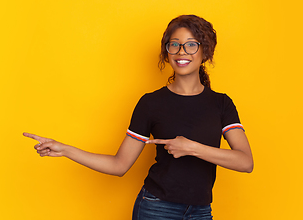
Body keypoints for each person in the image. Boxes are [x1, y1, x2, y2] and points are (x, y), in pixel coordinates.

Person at [23, 14, 253, 220]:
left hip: (201, 212)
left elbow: (245, 162)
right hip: (156, 209)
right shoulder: (151, 103)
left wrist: (192, 148)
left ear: (205, 52)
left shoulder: (221, 103)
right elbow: (119, 165)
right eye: (174, 45)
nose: (182, 52)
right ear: (167, 51)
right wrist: (66, 150)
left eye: (191, 45)